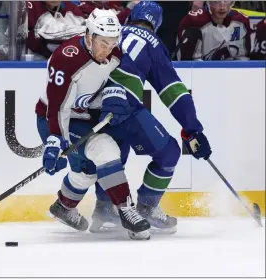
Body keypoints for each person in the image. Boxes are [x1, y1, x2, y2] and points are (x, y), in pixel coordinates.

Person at [67, 1, 212, 233]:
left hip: (92, 105)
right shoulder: (153, 43)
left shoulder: (113, 32)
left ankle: (104, 207)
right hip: (125, 107)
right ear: (157, 25)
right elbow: (172, 90)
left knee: (112, 156)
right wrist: (191, 127)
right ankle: (146, 206)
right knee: (169, 152)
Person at [35, 8, 150, 240]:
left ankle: (64, 206)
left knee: (88, 170)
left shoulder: (115, 52)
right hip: (54, 119)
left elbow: (129, 78)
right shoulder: (64, 59)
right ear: (89, 36)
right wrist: (54, 140)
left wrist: (118, 94)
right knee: (105, 148)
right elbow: (58, 107)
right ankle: (125, 209)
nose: (107, 51)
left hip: (86, 117)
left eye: (112, 43)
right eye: (102, 44)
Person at [177, 1, 251, 60]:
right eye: (216, 1)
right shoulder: (193, 21)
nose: (222, 7)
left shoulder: (241, 21)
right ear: (209, 2)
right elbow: (190, 64)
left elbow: (243, 57)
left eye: (226, 1)